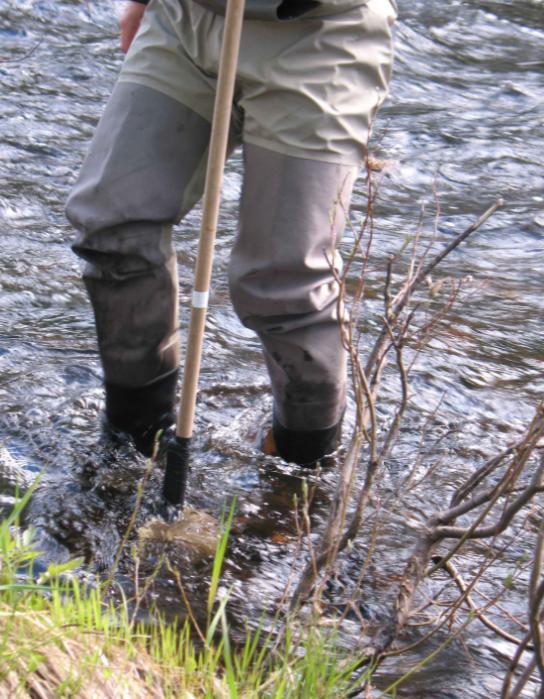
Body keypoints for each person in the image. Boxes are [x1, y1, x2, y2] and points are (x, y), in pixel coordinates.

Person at [66, 0, 396, 464]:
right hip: (185, 19)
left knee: (284, 284)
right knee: (112, 228)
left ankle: (300, 490)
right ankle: (133, 453)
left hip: (321, 36)